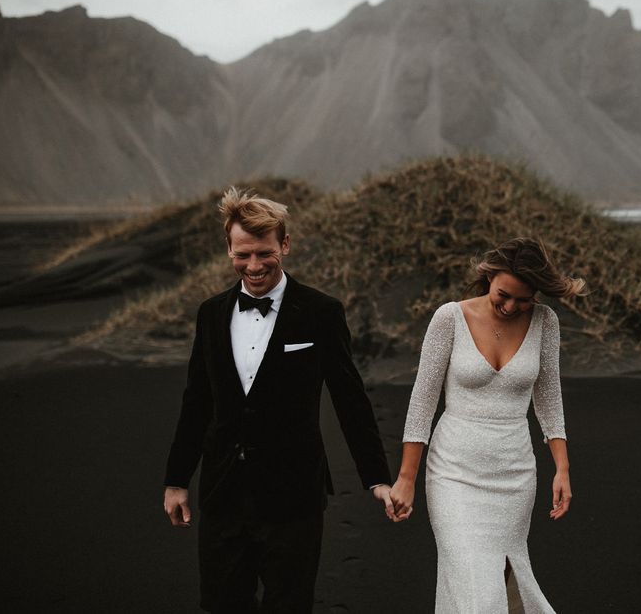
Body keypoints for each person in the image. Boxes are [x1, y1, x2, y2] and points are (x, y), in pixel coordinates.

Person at [163, 187, 395, 613]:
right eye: (242, 254)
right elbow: (197, 401)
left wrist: (377, 478)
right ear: (229, 249)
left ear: (284, 245)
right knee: (221, 604)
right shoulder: (211, 314)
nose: (254, 266)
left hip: (294, 496)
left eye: (264, 253)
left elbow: (350, 398)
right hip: (223, 493)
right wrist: (177, 480)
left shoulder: (321, 312)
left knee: (289, 604)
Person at [390, 238, 586, 613]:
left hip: (514, 475)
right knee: (477, 582)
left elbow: (549, 398)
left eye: (523, 300)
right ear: (489, 276)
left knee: (506, 578)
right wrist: (406, 478)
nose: (511, 307)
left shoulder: (546, 322)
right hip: (453, 474)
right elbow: (422, 402)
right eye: (504, 295)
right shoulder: (449, 318)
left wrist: (562, 467)